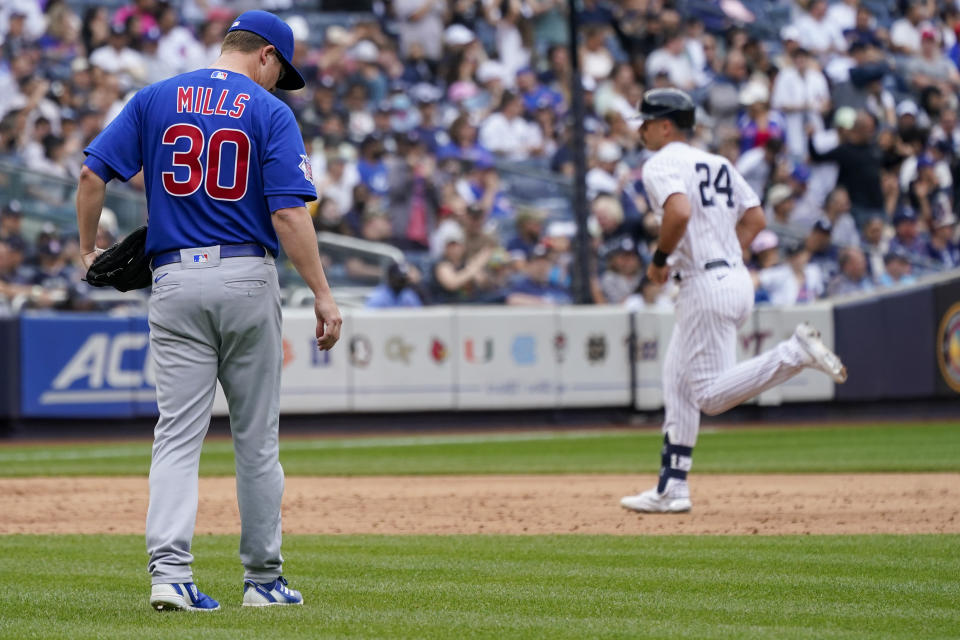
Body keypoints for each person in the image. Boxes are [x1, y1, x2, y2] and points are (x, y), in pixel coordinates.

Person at [76, 10, 342, 612]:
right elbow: (288, 213)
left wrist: (87, 249)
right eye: (282, 71)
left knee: (175, 436)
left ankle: (169, 575)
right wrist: (323, 292)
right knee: (255, 440)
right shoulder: (270, 111)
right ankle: (263, 582)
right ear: (266, 57)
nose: (280, 82)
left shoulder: (154, 98)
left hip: (172, 279)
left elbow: (92, 173)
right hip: (247, 276)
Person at [620, 88, 848, 514]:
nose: (643, 129)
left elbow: (680, 213)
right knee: (677, 379)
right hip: (733, 277)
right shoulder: (718, 162)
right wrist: (728, 252)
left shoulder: (660, 163)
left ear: (666, 124)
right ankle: (673, 486)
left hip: (704, 284)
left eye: (647, 122)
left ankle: (792, 354)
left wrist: (658, 261)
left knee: (707, 395)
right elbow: (757, 218)